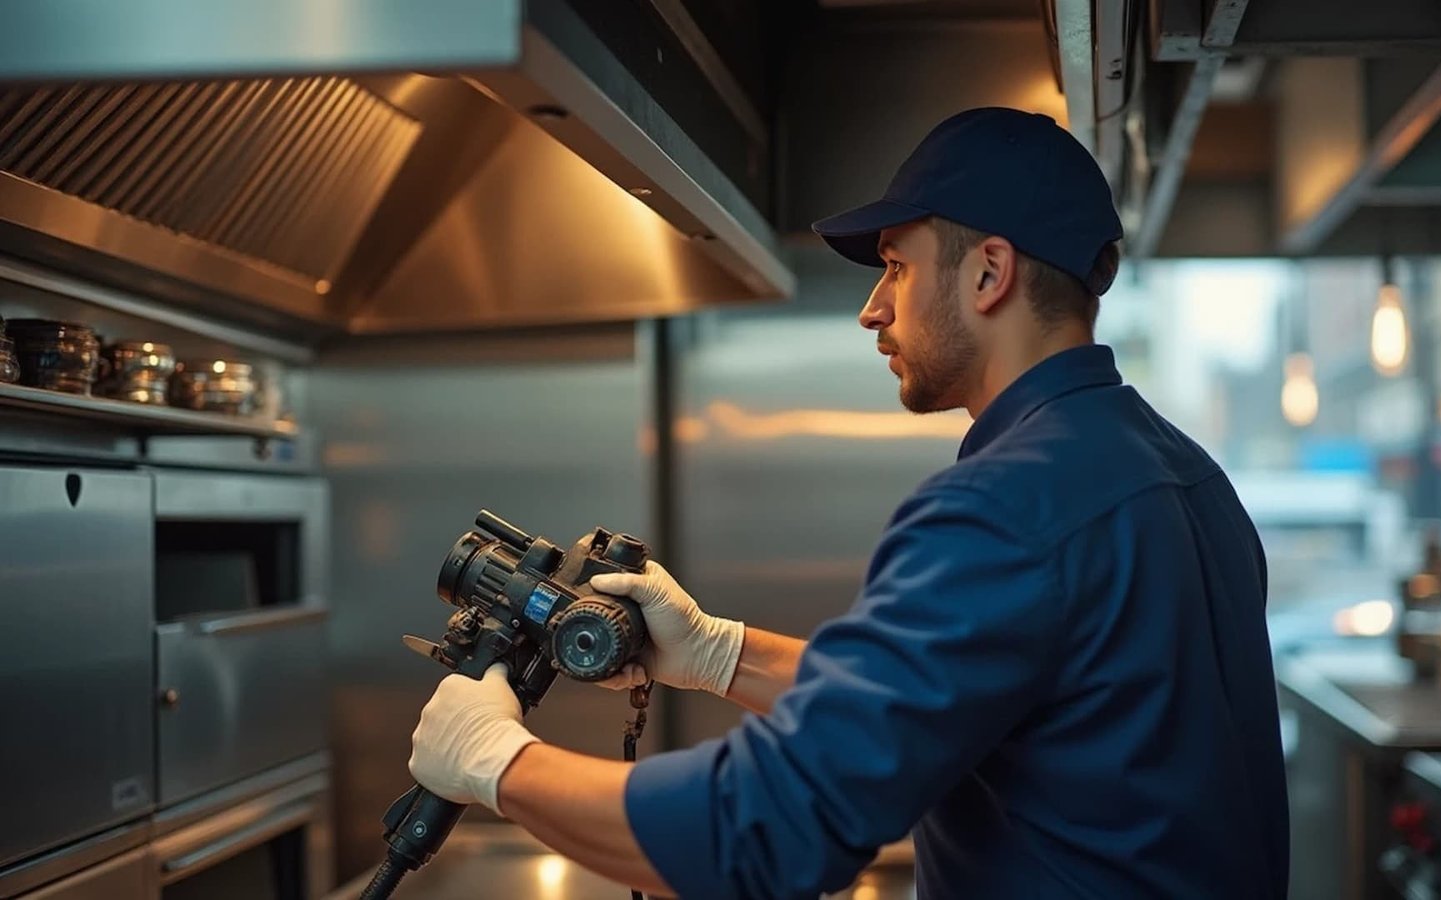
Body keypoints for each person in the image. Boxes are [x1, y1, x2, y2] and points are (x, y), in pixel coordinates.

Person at [407, 106, 1290, 899]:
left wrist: (500, 764)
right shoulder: (1184, 476)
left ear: (989, 275)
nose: (872, 310)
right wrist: (722, 653)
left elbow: (759, 834)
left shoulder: (1006, 509)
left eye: (897, 268)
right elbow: (968, 696)